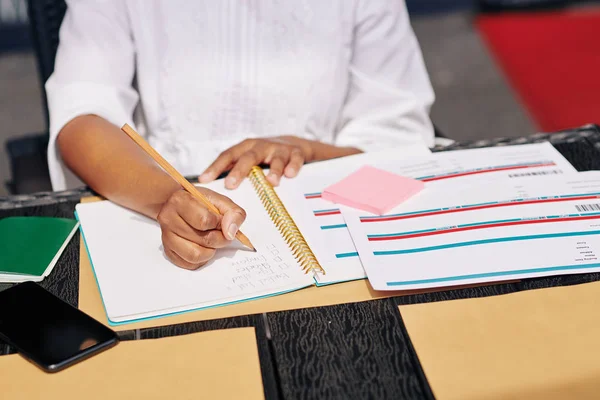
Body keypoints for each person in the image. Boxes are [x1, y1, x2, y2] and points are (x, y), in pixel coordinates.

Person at [47, 1, 435, 270]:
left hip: (320, 207)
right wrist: (167, 197)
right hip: (158, 197)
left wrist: (310, 151)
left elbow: (396, 129)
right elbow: (81, 117)